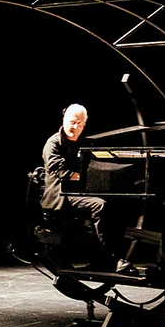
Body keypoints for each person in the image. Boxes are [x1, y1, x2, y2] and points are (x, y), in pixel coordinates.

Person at [39, 103, 118, 266]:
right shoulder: (52, 143)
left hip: (79, 192)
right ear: (64, 120)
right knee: (100, 206)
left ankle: (104, 257)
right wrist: (80, 175)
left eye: (79, 123)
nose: (75, 127)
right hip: (59, 196)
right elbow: (57, 169)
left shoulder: (83, 143)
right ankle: (108, 257)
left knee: (115, 203)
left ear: (84, 125)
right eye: (72, 122)